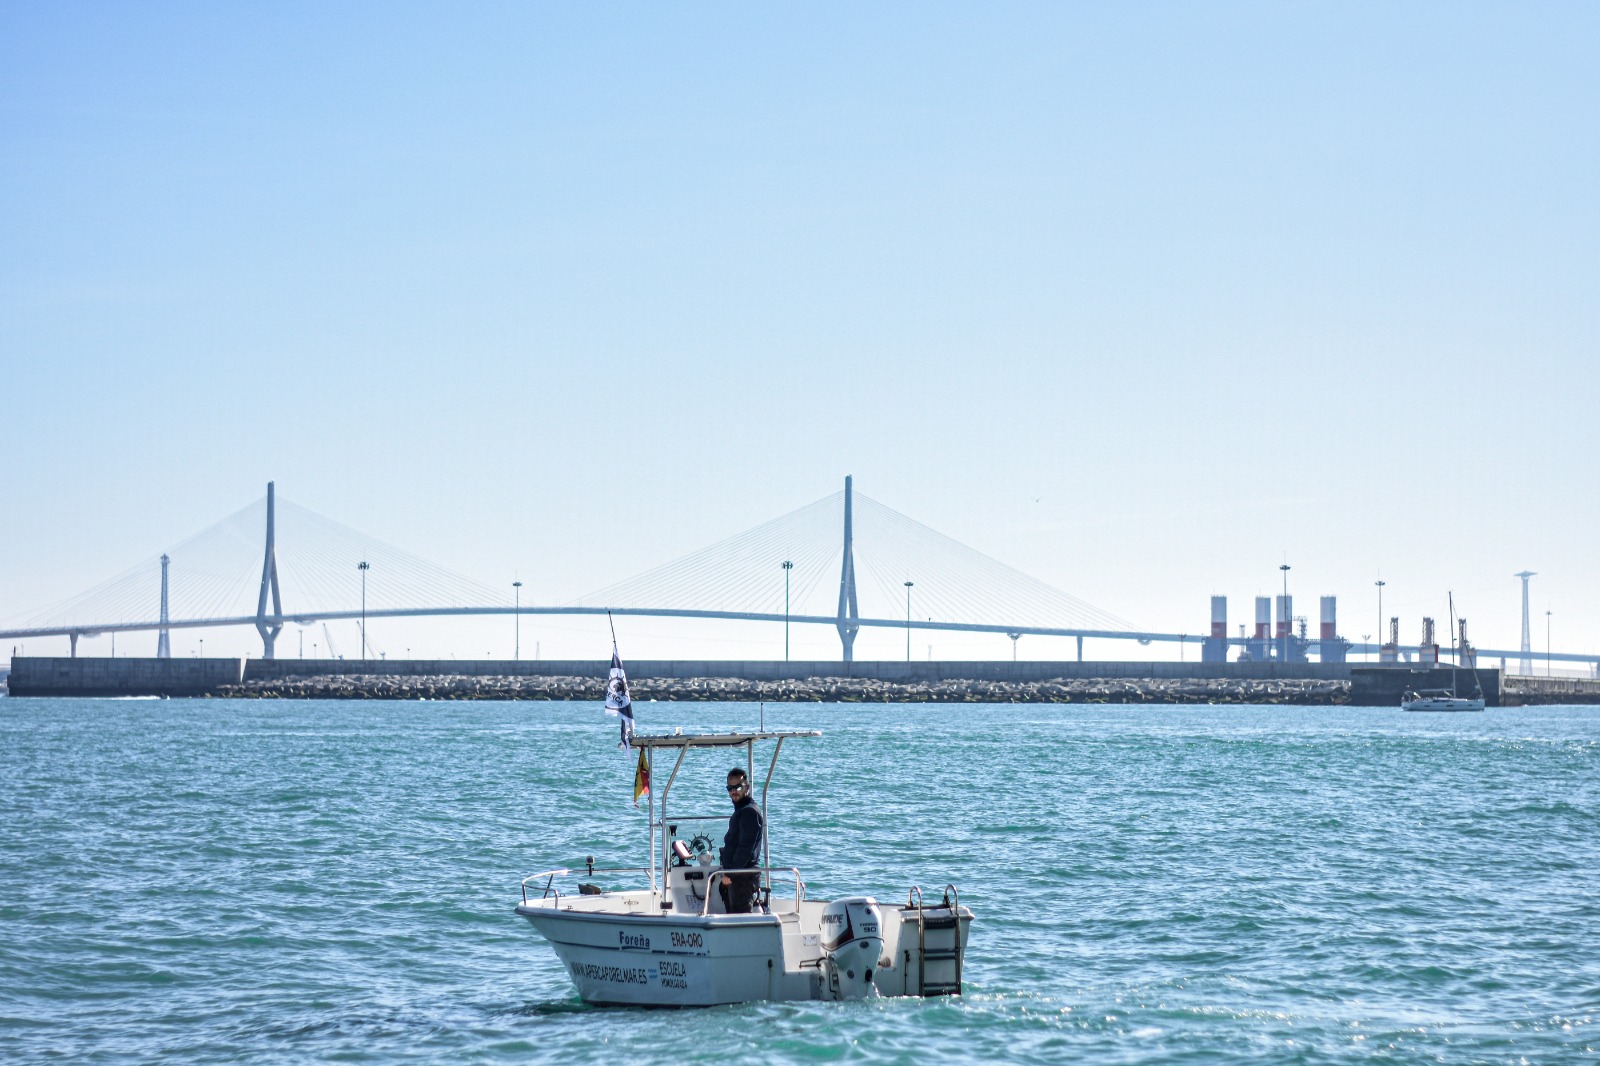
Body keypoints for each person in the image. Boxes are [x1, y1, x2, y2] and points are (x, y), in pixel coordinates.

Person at [718, 768, 764, 914]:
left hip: (742, 877)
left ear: (747, 787)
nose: (734, 791)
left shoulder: (749, 812)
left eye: (738, 787)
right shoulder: (741, 810)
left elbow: (745, 849)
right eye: (730, 788)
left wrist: (730, 874)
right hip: (737, 876)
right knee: (734, 918)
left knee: (741, 919)